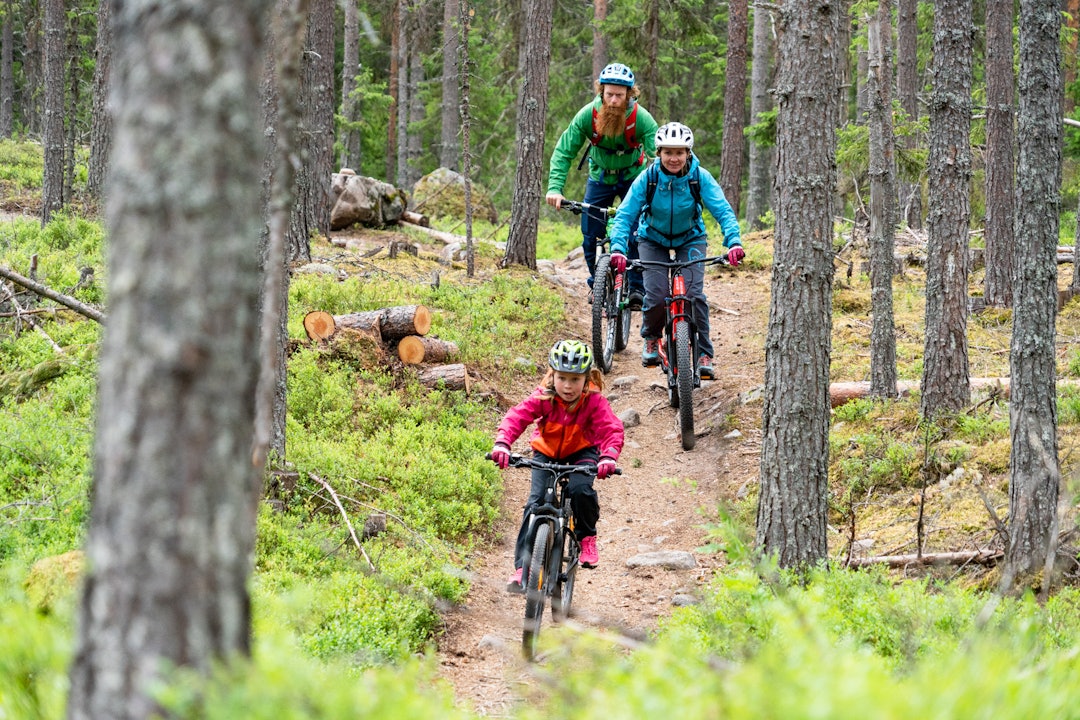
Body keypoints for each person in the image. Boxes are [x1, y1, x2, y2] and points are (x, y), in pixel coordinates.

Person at [607, 122, 744, 380]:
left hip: (690, 238)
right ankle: (651, 337)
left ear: (688, 153)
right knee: (656, 294)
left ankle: (704, 354)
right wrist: (618, 248)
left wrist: (734, 242)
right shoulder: (648, 178)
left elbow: (723, 210)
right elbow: (625, 215)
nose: (674, 158)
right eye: (668, 152)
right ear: (658, 153)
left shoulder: (699, 177)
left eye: (679, 152)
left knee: (694, 295)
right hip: (652, 238)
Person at [490, 339, 624, 593]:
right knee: (534, 504)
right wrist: (503, 443)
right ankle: (523, 568)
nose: (568, 386)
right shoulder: (544, 397)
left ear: (586, 379)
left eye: (575, 379)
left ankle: (586, 536)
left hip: (582, 452)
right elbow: (517, 416)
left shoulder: (594, 401)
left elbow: (611, 429)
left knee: (580, 490)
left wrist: (608, 456)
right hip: (546, 452)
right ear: (553, 376)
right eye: (562, 378)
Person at [544, 62, 658, 308]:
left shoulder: (642, 119)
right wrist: (555, 188)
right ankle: (598, 283)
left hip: (633, 178)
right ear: (601, 92)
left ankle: (637, 288)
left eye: (619, 95)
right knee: (590, 235)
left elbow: (659, 155)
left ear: (629, 94)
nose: (614, 101)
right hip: (600, 178)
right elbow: (564, 151)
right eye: (609, 95)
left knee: (636, 233)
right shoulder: (588, 115)